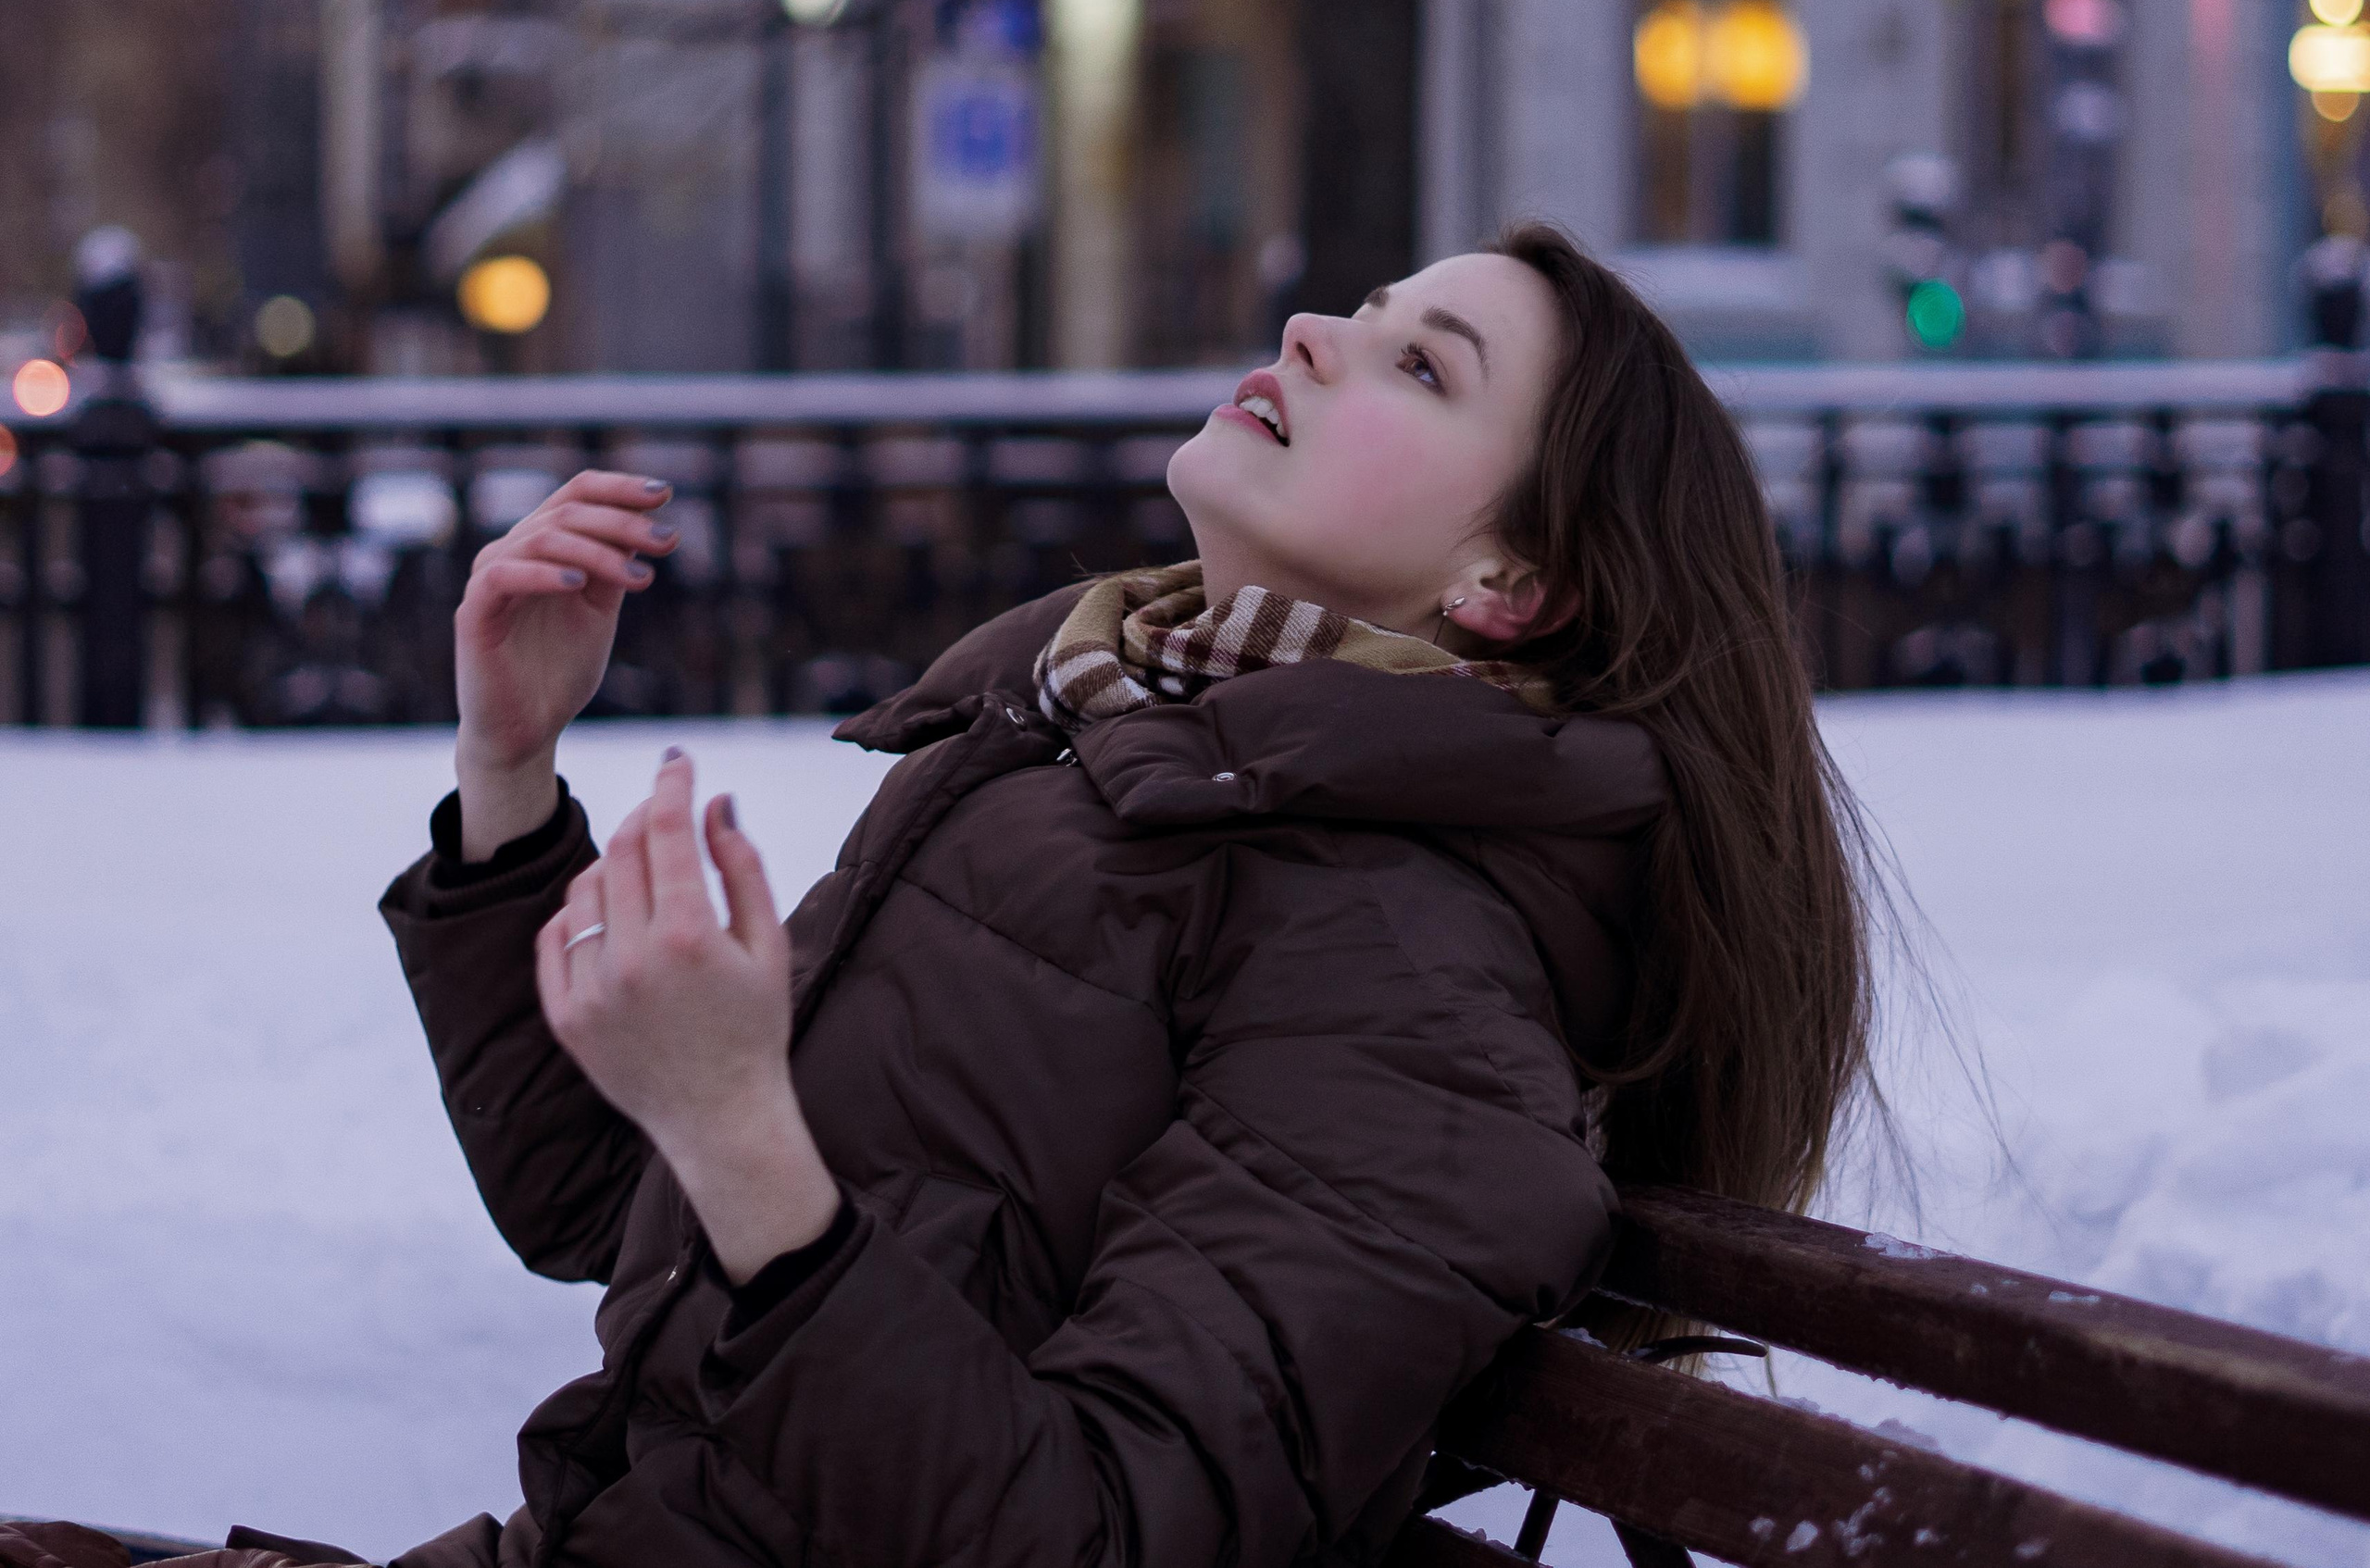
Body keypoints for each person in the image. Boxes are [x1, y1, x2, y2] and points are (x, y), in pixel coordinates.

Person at [6, 225, 1880, 1568]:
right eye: (1366, 305)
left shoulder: (1421, 993)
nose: (1314, 326)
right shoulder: (1078, 740)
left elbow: (1079, 1525)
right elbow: (610, 1201)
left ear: (1509, 581)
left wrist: (743, 1120)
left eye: (1418, 361)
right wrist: (512, 774)